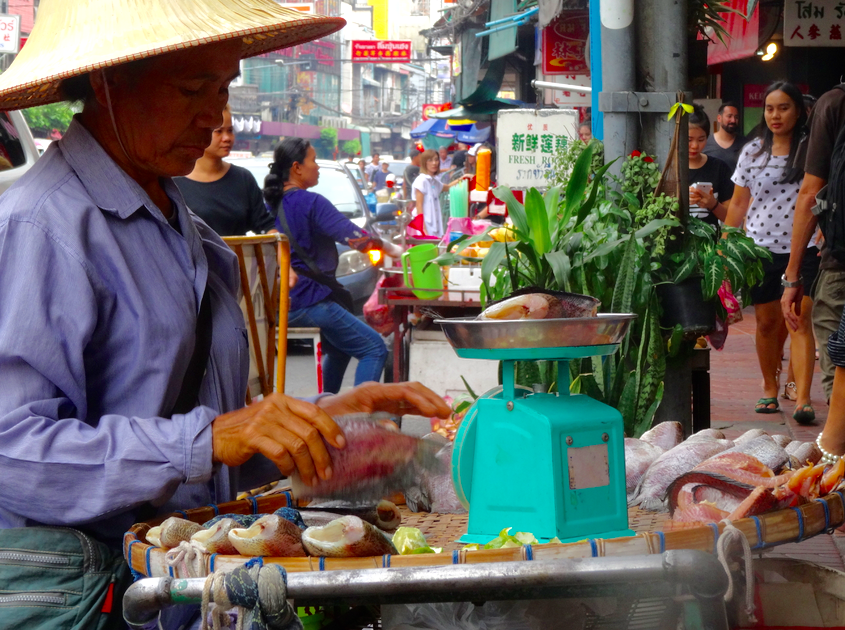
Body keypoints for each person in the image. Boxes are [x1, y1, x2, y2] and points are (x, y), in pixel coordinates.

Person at [0, 2, 450, 626]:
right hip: (91, 599)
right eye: (192, 88)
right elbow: (13, 450)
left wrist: (325, 417)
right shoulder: (40, 228)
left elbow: (213, 440)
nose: (215, 115)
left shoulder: (186, 230)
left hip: (180, 599)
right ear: (106, 83)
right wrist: (209, 439)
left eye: (222, 87)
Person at [724, 81, 818, 423]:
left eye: (784, 107)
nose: (775, 115)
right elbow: (738, 202)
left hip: (804, 247)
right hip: (760, 248)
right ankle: (768, 388)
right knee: (766, 324)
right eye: (770, 108)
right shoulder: (752, 151)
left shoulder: (812, 150)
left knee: (798, 321)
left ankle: (803, 398)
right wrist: (726, 244)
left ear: (800, 111)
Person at [267, 137, 390, 394]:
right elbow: (355, 238)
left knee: (342, 349)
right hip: (308, 298)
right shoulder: (311, 202)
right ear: (297, 168)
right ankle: (361, 418)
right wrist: (393, 249)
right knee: (374, 348)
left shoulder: (268, 205)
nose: (318, 167)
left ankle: (328, 413)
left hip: (280, 300)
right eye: (313, 160)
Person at [782, 85, 845, 405]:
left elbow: (810, 193)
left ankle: (839, 445)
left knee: (839, 357)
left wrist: (792, 275)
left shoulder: (834, 102)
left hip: (841, 262)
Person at [175, 104, 275, 236]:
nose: (227, 138)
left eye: (230, 131)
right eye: (219, 131)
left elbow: (264, 225)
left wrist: (278, 244)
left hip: (238, 256)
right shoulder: (175, 183)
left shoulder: (243, 179)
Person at [687, 106, 733, 230]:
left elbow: (730, 217)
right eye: (689, 140)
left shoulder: (719, 168)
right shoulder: (669, 170)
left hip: (710, 244)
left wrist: (713, 204)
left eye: (701, 139)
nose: (695, 146)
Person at [413, 148, 466, 237]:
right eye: (430, 160)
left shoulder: (434, 181)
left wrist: (463, 178)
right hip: (426, 226)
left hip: (435, 225)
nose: (434, 163)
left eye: (436, 160)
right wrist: (423, 228)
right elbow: (419, 206)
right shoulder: (421, 181)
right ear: (424, 162)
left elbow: (448, 187)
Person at [704, 101, 745, 173]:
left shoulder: (745, 144)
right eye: (729, 116)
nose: (733, 120)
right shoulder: (706, 142)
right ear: (719, 118)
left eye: (736, 117)